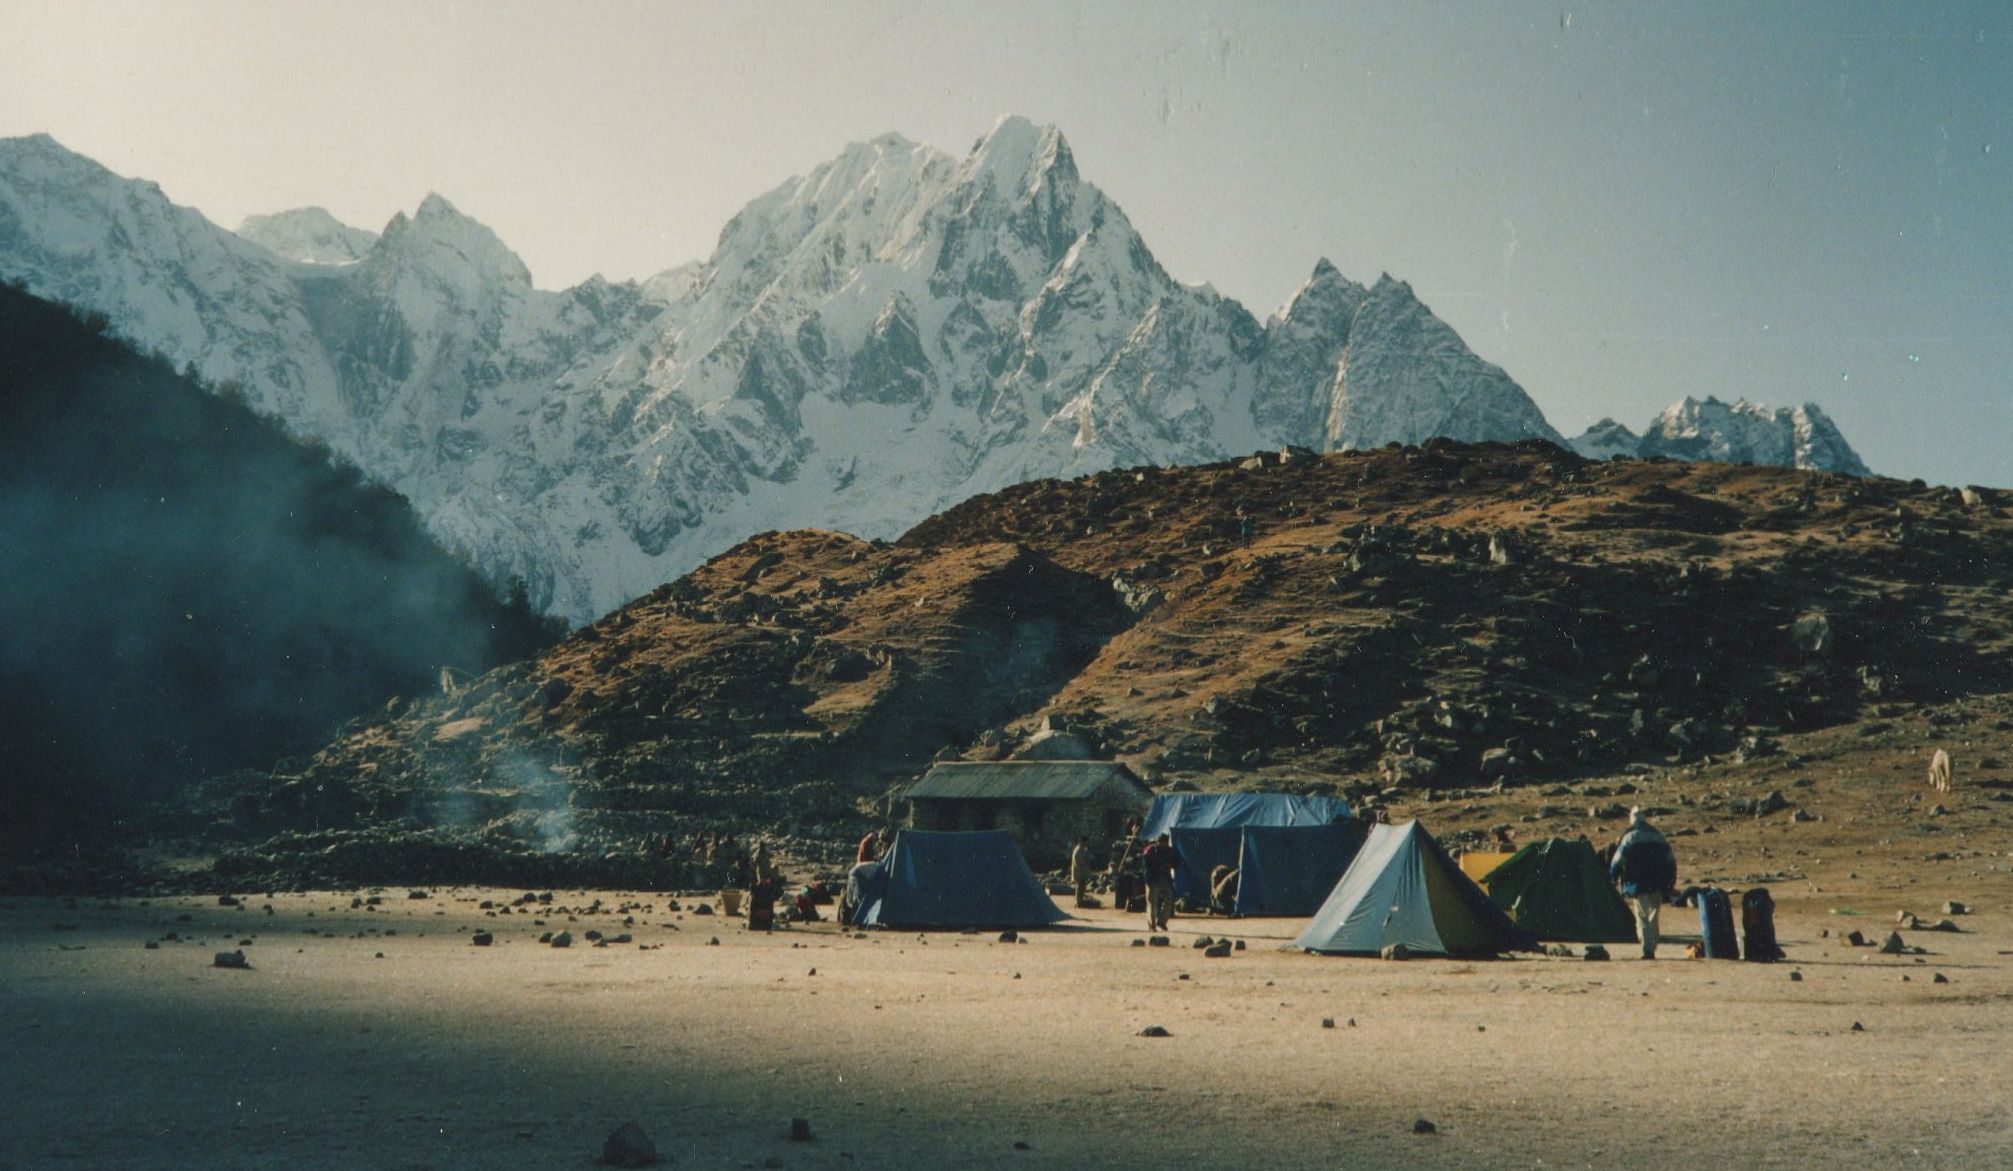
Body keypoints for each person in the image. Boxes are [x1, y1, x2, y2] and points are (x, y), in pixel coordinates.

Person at [1609, 807, 1678, 960]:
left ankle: (1648, 950)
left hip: (1637, 883)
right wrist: (1670, 881)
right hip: (1658, 883)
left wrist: (1612, 877)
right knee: (1654, 915)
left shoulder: (1630, 837)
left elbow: (1617, 861)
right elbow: (1671, 861)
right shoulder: (1659, 836)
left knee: (1642, 916)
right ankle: (1653, 945)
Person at [1140, 832, 1179, 932]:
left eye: (1165, 842)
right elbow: (1146, 864)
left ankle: (1161, 922)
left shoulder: (1169, 851)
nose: (1163, 844)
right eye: (1162, 842)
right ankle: (1152, 925)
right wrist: (1158, 867)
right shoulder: (1150, 850)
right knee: (1152, 903)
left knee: (1169, 900)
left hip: (1165, 878)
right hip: (1152, 879)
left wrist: (1170, 865)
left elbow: (1176, 862)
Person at [1069, 836, 1095, 908]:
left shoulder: (1081, 849)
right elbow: (1081, 862)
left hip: (1081, 871)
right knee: (1080, 886)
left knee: (1081, 886)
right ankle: (1079, 901)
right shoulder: (1079, 850)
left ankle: (1079, 901)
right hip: (1079, 872)